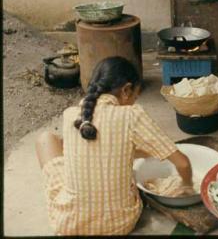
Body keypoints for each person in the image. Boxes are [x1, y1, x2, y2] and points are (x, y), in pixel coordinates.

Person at [35, 56, 194, 235]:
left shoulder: (71, 115)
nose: (134, 101)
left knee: (46, 139)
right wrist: (187, 187)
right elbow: (183, 164)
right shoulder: (131, 114)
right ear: (126, 90)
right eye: (135, 95)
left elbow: (106, 147)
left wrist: (151, 152)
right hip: (119, 224)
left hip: (70, 223)